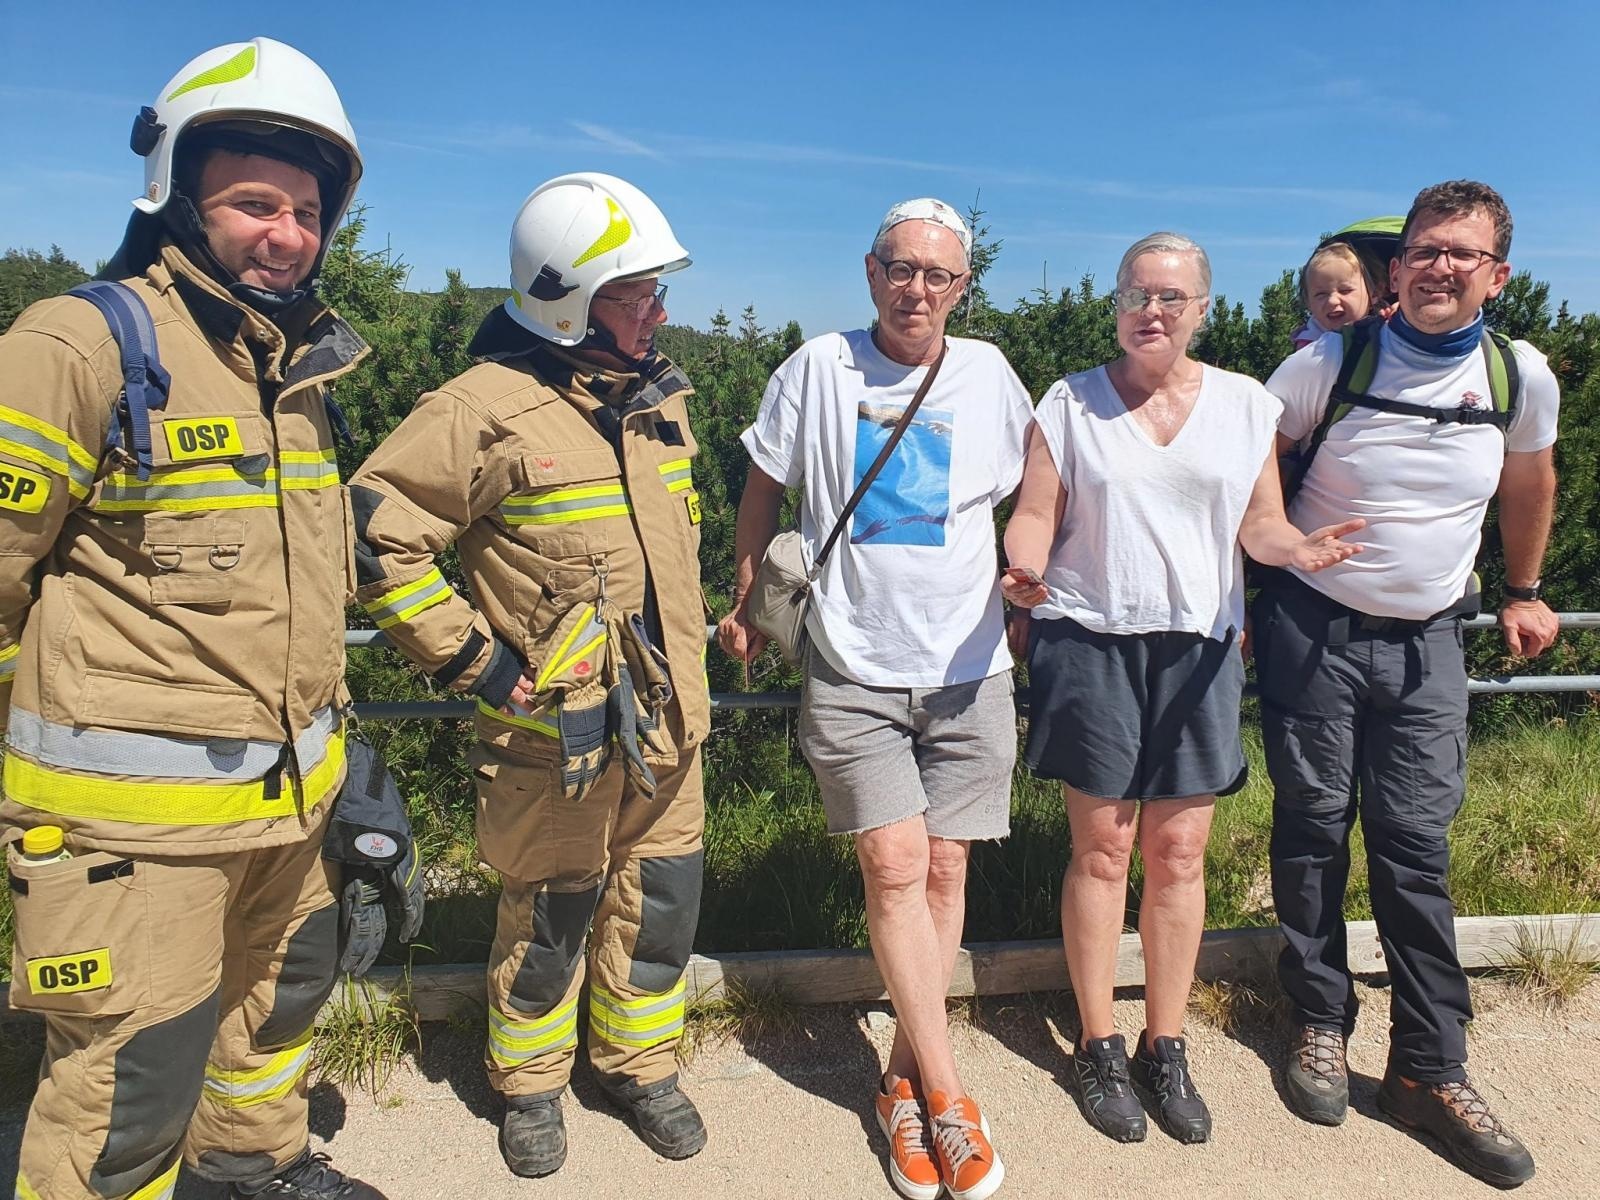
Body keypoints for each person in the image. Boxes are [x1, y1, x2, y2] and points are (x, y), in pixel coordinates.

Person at [0, 38, 387, 1200]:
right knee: (125, 1098)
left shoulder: (290, 372)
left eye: (308, 212)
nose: (287, 234)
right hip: (136, 838)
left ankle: (249, 1177)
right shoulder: (79, 345)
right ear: (176, 193)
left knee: (270, 1029)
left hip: (283, 808)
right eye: (255, 203)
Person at [347, 173, 709, 1178]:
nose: (658, 310)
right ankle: (532, 1084)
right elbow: (376, 539)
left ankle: (637, 1064)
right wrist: (477, 661)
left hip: (671, 727)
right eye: (635, 292)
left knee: (661, 898)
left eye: (654, 290)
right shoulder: (481, 410)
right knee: (551, 910)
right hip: (555, 738)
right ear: (568, 299)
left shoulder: (659, 401)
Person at [1002, 233, 1362, 1147]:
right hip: (1090, 639)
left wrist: (1300, 552)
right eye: (1134, 294)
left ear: (1203, 307)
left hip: (1198, 648)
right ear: (1115, 305)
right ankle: (1098, 1042)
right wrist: (1023, 568)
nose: (1150, 310)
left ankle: (1168, 1041)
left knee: (1181, 853)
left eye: (1170, 296)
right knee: (1102, 849)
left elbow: (1263, 525)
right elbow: (1037, 511)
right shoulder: (1071, 400)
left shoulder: (1246, 405)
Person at [719, 197, 1031, 1200]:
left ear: (962, 287)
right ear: (869, 272)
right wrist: (744, 596)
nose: (917, 288)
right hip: (853, 659)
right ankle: (945, 1099)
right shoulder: (817, 368)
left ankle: (899, 1079)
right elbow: (762, 484)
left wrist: (1029, 568)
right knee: (894, 869)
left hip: (971, 664)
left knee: (945, 876)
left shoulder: (986, 373)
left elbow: (1042, 484)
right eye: (900, 268)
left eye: (937, 275)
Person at [1259, 180, 1560, 1189]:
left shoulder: (1518, 375)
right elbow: (1254, 453)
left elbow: (1529, 480)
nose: (1437, 267)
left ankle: (1428, 1069)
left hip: (1433, 635)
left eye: (1459, 255)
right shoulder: (1325, 361)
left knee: (1415, 846)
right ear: (1397, 269)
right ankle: (1315, 1020)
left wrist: (1523, 589)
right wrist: (1273, 553)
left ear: (1495, 275)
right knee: (1308, 824)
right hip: (1315, 626)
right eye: (1423, 251)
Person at [1291, 240, 1377, 349]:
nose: (1332, 301)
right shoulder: (1310, 347)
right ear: (1308, 302)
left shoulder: (1385, 327)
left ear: (1373, 294)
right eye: (1321, 294)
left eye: (1345, 291)